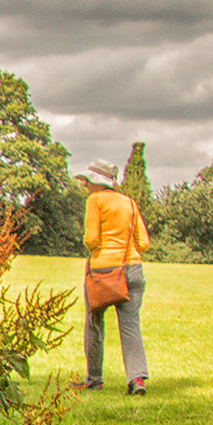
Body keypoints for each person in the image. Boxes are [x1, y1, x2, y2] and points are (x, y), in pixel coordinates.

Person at [77, 159, 150, 394]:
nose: (86, 186)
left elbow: (91, 239)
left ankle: (94, 379)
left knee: (94, 323)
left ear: (98, 183)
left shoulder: (95, 201)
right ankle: (136, 379)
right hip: (132, 269)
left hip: (103, 271)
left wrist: (99, 249)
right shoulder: (129, 202)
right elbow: (144, 243)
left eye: (88, 181)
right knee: (130, 325)